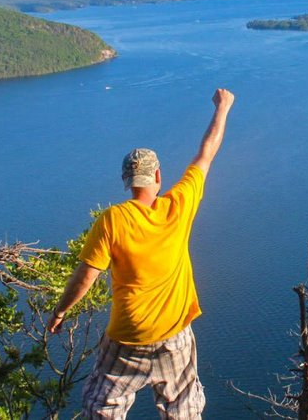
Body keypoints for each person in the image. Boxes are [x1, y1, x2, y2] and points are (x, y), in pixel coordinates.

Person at [48, 88, 235, 419]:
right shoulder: (178, 206)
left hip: (128, 341)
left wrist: (61, 311)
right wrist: (223, 108)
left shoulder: (113, 220)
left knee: (101, 405)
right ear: (158, 177)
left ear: (126, 181)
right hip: (175, 336)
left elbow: (86, 277)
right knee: (184, 407)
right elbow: (206, 153)